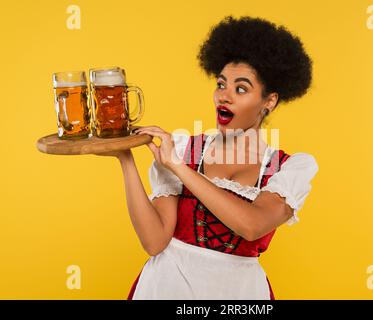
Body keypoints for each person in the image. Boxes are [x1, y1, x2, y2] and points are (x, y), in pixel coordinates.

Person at [96, 15, 319, 300]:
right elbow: (154, 242)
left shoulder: (289, 169)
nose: (223, 97)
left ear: (269, 101)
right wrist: (125, 157)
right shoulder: (184, 148)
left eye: (241, 89)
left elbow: (251, 225)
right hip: (165, 287)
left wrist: (177, 166)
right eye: (221, 84)